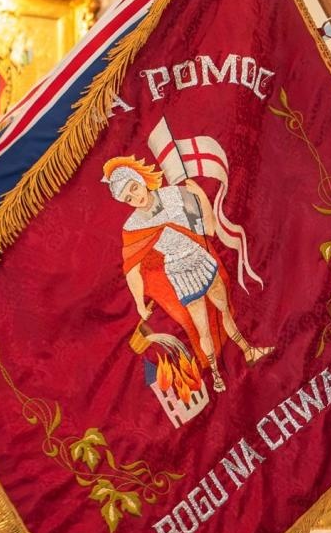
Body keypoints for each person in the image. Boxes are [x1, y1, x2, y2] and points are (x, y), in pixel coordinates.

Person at [105, 156, 270, 393]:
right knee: (202, 327)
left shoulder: (175, 195)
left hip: (201, 259)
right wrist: (140, 304)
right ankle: (216, 375)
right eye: (128, 198)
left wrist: (201, 196)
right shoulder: (133, 227)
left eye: (134, 188)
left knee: (224, 310)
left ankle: (248, 350)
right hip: (180, 273)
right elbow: (132, 269)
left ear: (140, 179)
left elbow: (208, 229)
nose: (136, 197)